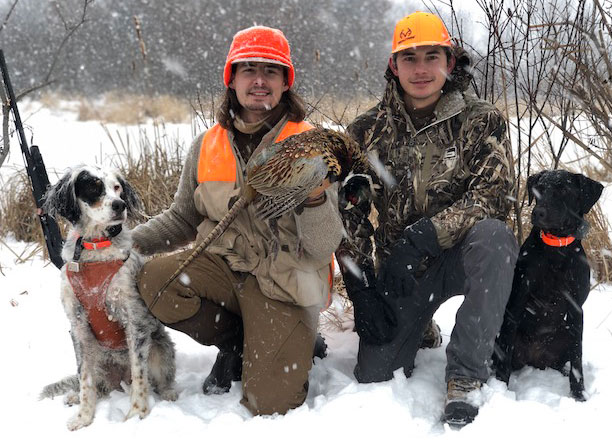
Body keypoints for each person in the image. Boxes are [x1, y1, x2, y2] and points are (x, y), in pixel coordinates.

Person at [133, 25, 343, 416]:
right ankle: (240, 340)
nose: (259, 81)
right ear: (232, 80)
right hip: (226, 271)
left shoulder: (312, 143)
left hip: (286, 283)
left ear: (285, 82)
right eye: (248, 70)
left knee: (269, 404)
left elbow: (322, 246)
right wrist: (125, 245)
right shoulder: (206, 145)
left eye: (271, 71)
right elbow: (182, 217)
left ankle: (290, 337)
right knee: (155, 281)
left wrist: (315, 197)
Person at [337, 12, 518, 426]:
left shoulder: (480, 119)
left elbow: (495, 194)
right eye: (409, 58)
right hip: (402, 270)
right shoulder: (366, 130)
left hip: (462, 256)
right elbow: (350, 213)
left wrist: (426, 236)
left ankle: (466, 374)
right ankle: (420, 328)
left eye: (431, 56)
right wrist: (361, 286)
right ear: (393, 66)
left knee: (496, 238)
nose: (420, 69)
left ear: (450, 62)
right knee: (375, 374)